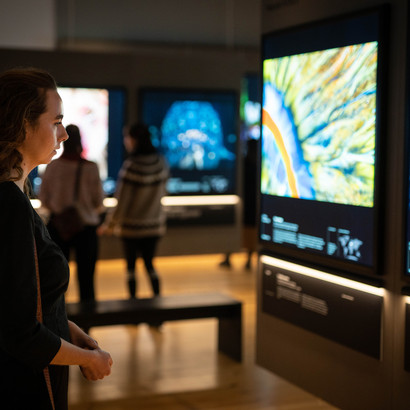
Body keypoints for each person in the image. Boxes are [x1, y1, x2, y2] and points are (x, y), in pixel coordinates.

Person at [0, 67, 112, 409]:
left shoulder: (16, 196)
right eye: (56, 121)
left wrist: (67, 328)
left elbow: (19, 303)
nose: (62, 134)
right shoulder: (9, 206)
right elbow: (18, 332)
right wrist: (87, 358)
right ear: (22, 123)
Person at [99, 123, 169, 299]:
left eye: (127, 137)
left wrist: (110, 224)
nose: (125, 141)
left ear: (134, 139)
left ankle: (133, 309)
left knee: (130, 268)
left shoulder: (132, 165)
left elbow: (122, 201)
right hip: (154, 225)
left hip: (131, 227)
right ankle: (157, 308)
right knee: (150, 265)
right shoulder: (161, 162)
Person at [39, 124, 105, 302]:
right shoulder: (91, 167)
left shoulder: (52, 167)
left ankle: (59, 323)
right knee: (87, 279)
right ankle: (88, 323)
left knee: (57, 280)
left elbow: (43, 198)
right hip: (87, 228)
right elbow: (98, 201)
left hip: (58, 228)